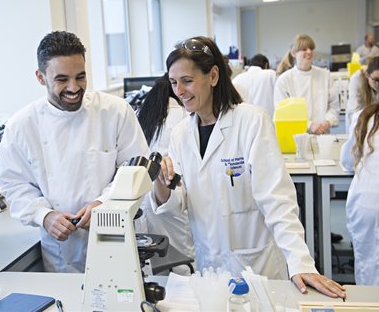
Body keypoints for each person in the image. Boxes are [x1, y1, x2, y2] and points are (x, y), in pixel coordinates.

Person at [150, 35, 346, 298]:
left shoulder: (251, 122)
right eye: (174, 83)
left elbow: (277, 200)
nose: (179, 91)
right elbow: (177, 203)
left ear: (213, 76)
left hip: (257, 267)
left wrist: (301, 263)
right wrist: (161, 185)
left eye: (187, 81)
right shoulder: (180, 134)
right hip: (210, 270)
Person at [0, 31, 149, 273]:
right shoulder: (21, 125)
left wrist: (105, 202)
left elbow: (138, 170)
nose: (73, 87)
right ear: (40, 77)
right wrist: (44, 216)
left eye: (80, 77)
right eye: (61, 79)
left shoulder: (115, 111)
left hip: (117, 238)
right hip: (61, 253)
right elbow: (13, 185)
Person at [135, 73, 195, 269]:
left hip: (145, 202)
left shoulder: (141, 116)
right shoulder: (186, 117)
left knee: (154, 264)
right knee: (184, 266)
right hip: (173, 199)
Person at [340, 103, 379, 285]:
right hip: (368, 200)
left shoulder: (365, 115)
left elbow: (347, 160)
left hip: (366, 202)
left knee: (368, 268)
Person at [274, 34, 340, 135]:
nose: (309, 52)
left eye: (311, 48)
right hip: (296, 137)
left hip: (323, 135)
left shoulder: (325, 75)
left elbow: (334, 106)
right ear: (293, 53)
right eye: (304, 49)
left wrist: (328, 121)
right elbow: (284, 113)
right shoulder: (284, 80)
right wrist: (309, 125)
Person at [346, 56, 379, 127]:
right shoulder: (357, 80)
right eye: (376, 80)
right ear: (367, 75)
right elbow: (354, 112)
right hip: (359, 123)